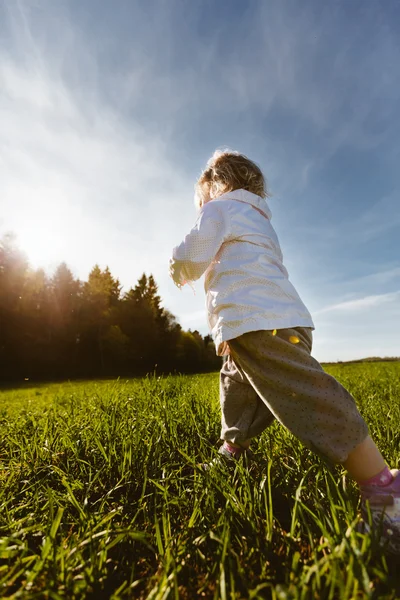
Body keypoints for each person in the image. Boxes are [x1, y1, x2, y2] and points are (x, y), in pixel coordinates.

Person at [169, 149, 400, 553]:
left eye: (201, 199)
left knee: (307, 394)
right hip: (280, 322)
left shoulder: (220, 209)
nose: (202, 207)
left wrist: (177, 268)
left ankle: (385, 492)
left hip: (258, 323)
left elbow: (191, 254)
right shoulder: (259, 220)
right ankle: (231, 451)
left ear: (215, 185)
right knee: (238, 387)